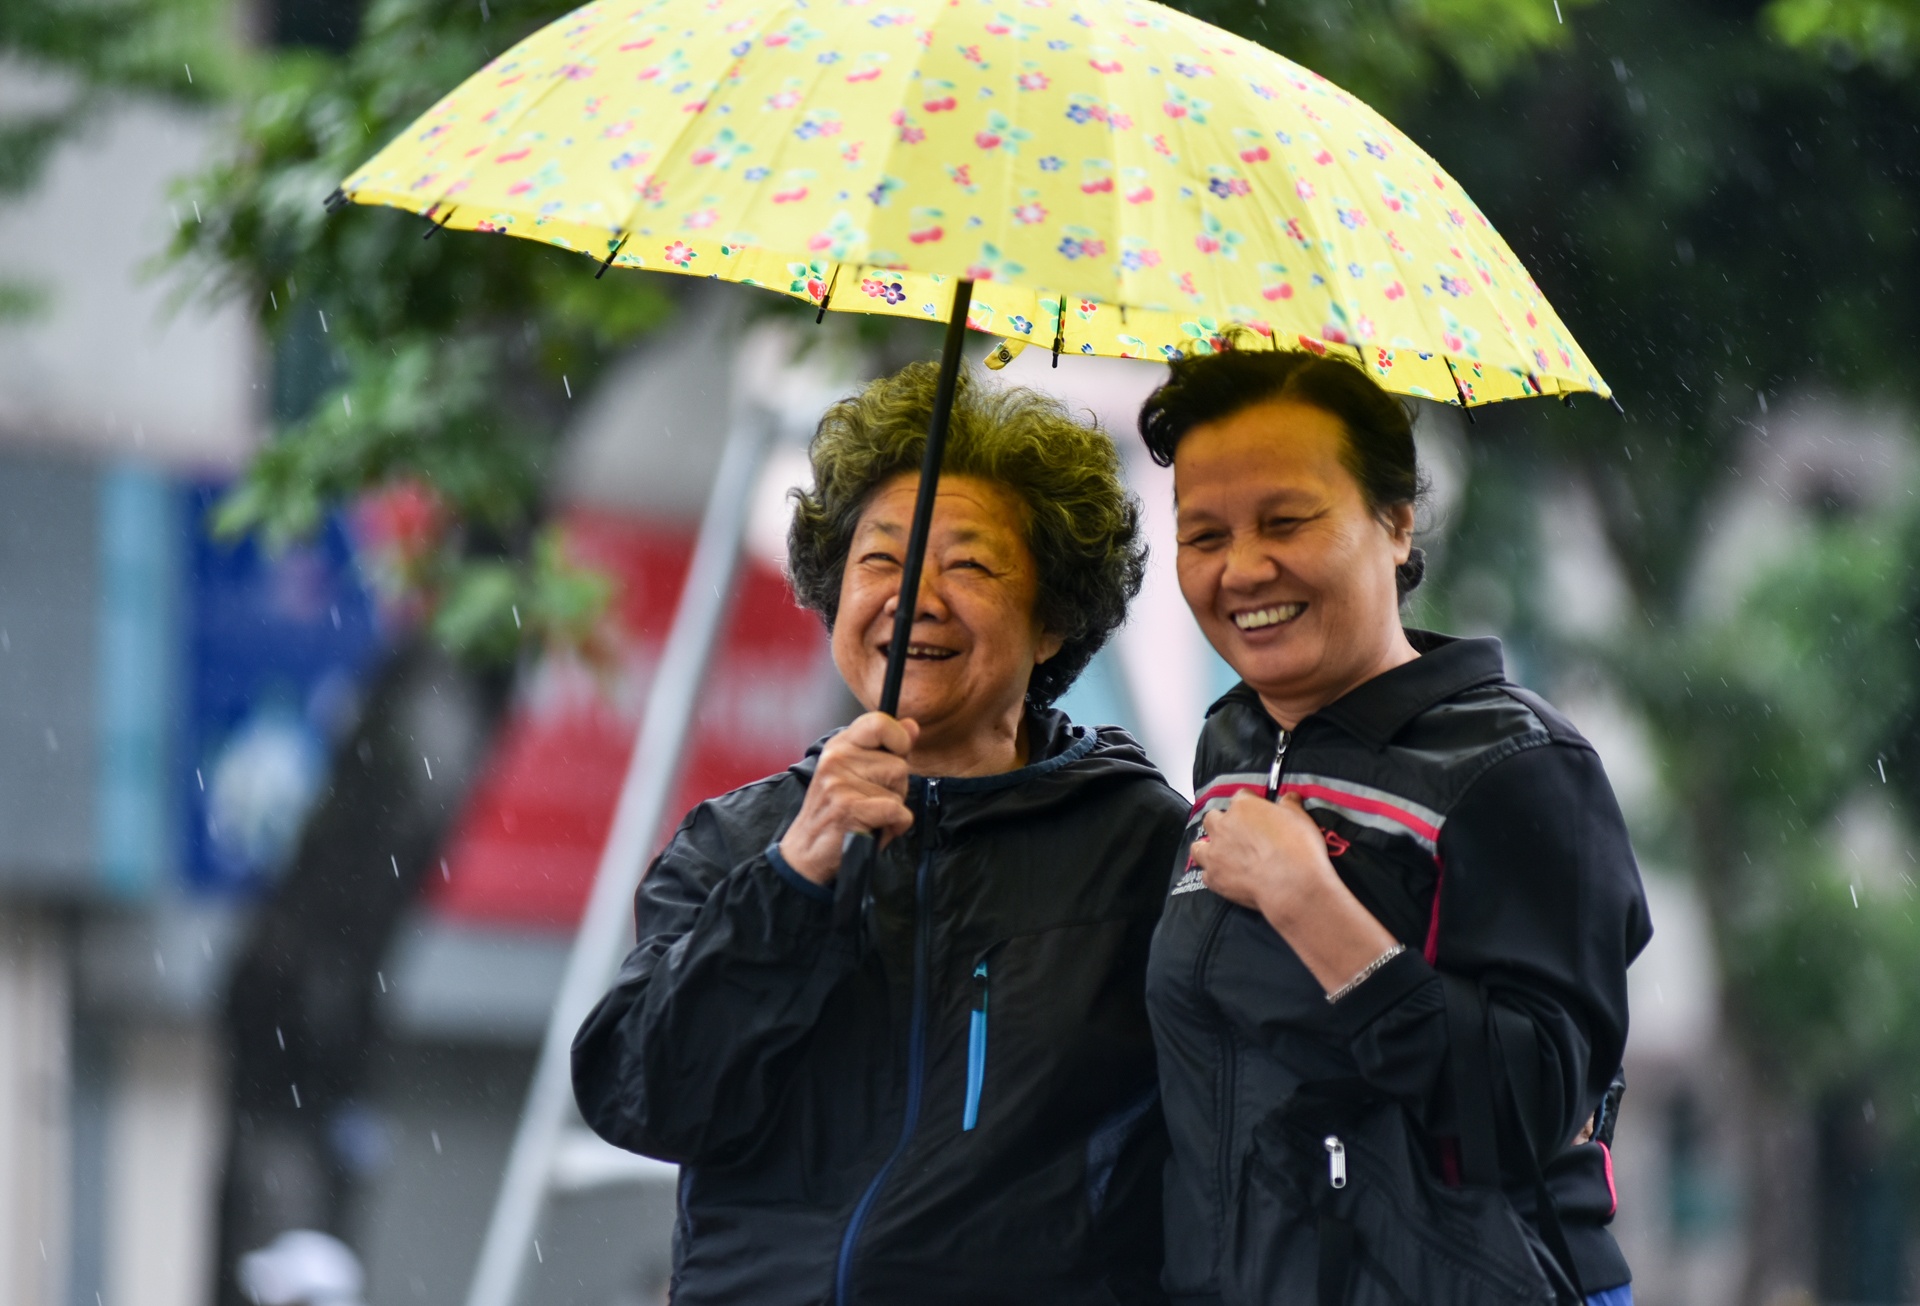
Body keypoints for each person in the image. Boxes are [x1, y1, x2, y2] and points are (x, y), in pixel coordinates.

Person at [573, 363, 1190, 1306]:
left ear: (1054, 620)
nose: (916, 598)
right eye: (880, 561)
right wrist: (793, 880)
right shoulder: (736, 841)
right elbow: (648, 1099)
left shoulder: (1141, 849)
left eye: (969, 565)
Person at [1138, 348, 1652, 1306]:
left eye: (1286, 521)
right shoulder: (1229, 749)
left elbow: (1529, 1112)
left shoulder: (1515, 766)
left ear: (1396, 520)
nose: (1242, 569)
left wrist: (1311, 907)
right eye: (1204, 534)